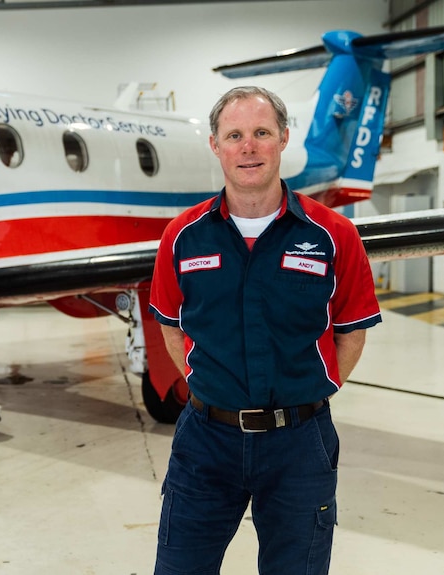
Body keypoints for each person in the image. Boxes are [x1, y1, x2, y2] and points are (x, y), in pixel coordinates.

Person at [149, 86, 382, 575]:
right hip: (204, 443)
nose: (248, 147)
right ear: (216, 146)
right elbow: (171, 327)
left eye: (261, 133)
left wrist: (317, 389)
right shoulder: (182, 236)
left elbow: (351, 330)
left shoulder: (334, 235)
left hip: (299, 443)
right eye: (234, 135)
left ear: (283, 141)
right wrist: (206, 388)